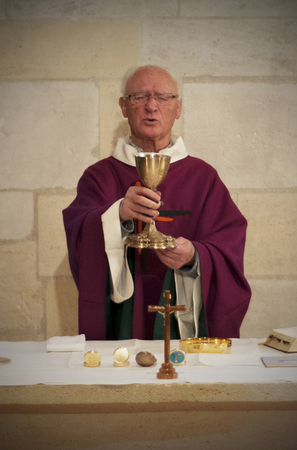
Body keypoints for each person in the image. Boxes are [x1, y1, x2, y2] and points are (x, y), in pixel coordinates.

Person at [63, 65, 251, 341]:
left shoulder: (203, 177)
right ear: (124, 107)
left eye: (163, 97)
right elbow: (79, 235)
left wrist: (194, 256)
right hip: (122, 319)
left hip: (183, 318)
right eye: (139, 96)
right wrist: (116, 214)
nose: (152, 106)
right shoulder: (99, 176)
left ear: (178, 108)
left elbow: (228, 246)